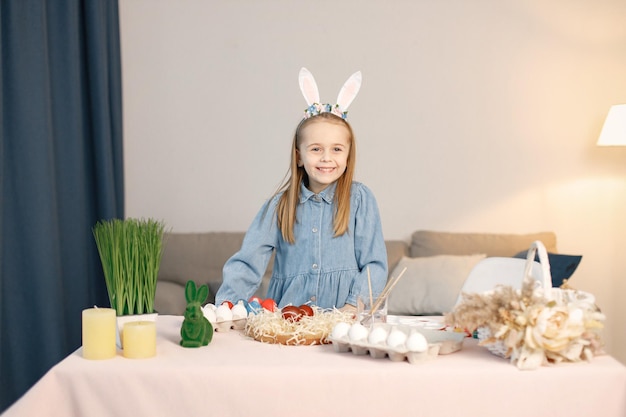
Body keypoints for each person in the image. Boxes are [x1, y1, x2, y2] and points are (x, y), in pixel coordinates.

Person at [215, 68, 388, 311]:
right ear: (299, 156)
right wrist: (226, 307)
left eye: (337, 149)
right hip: (288, 323)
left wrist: (352, 308)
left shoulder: (360, 200)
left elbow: (374, 265)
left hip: (344, 323)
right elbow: (247, 262)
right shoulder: (279, 206)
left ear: (348, 156)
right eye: (316, 149)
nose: (326, 158)